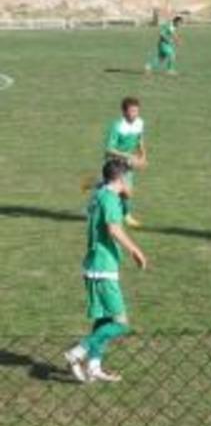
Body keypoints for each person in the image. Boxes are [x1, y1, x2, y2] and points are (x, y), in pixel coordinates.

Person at [64, 159, 148, 383]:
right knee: (120, 323)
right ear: (121, 179)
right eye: (129, 179)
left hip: (92, 266)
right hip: (103, 269)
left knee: (102, 321)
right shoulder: (109, 198)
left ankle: (94, 367)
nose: (132, 184)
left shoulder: (99, 195)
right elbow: (113, 228)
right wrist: (135, 251)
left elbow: (110, 193)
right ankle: (78, 352)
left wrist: (123, 194)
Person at [104, 97, 147, 228]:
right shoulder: (117, 126)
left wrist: (143, 156)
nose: (134, 114)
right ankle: (126, 216)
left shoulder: (139, 123)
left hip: (128, 163)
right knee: (124, 191)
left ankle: (93, 183)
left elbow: (140, 140)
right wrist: (128, 156)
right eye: (131, 111)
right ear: (123, 112)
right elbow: (109, 149)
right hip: (115, 162)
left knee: (122, 190)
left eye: (136, 111)